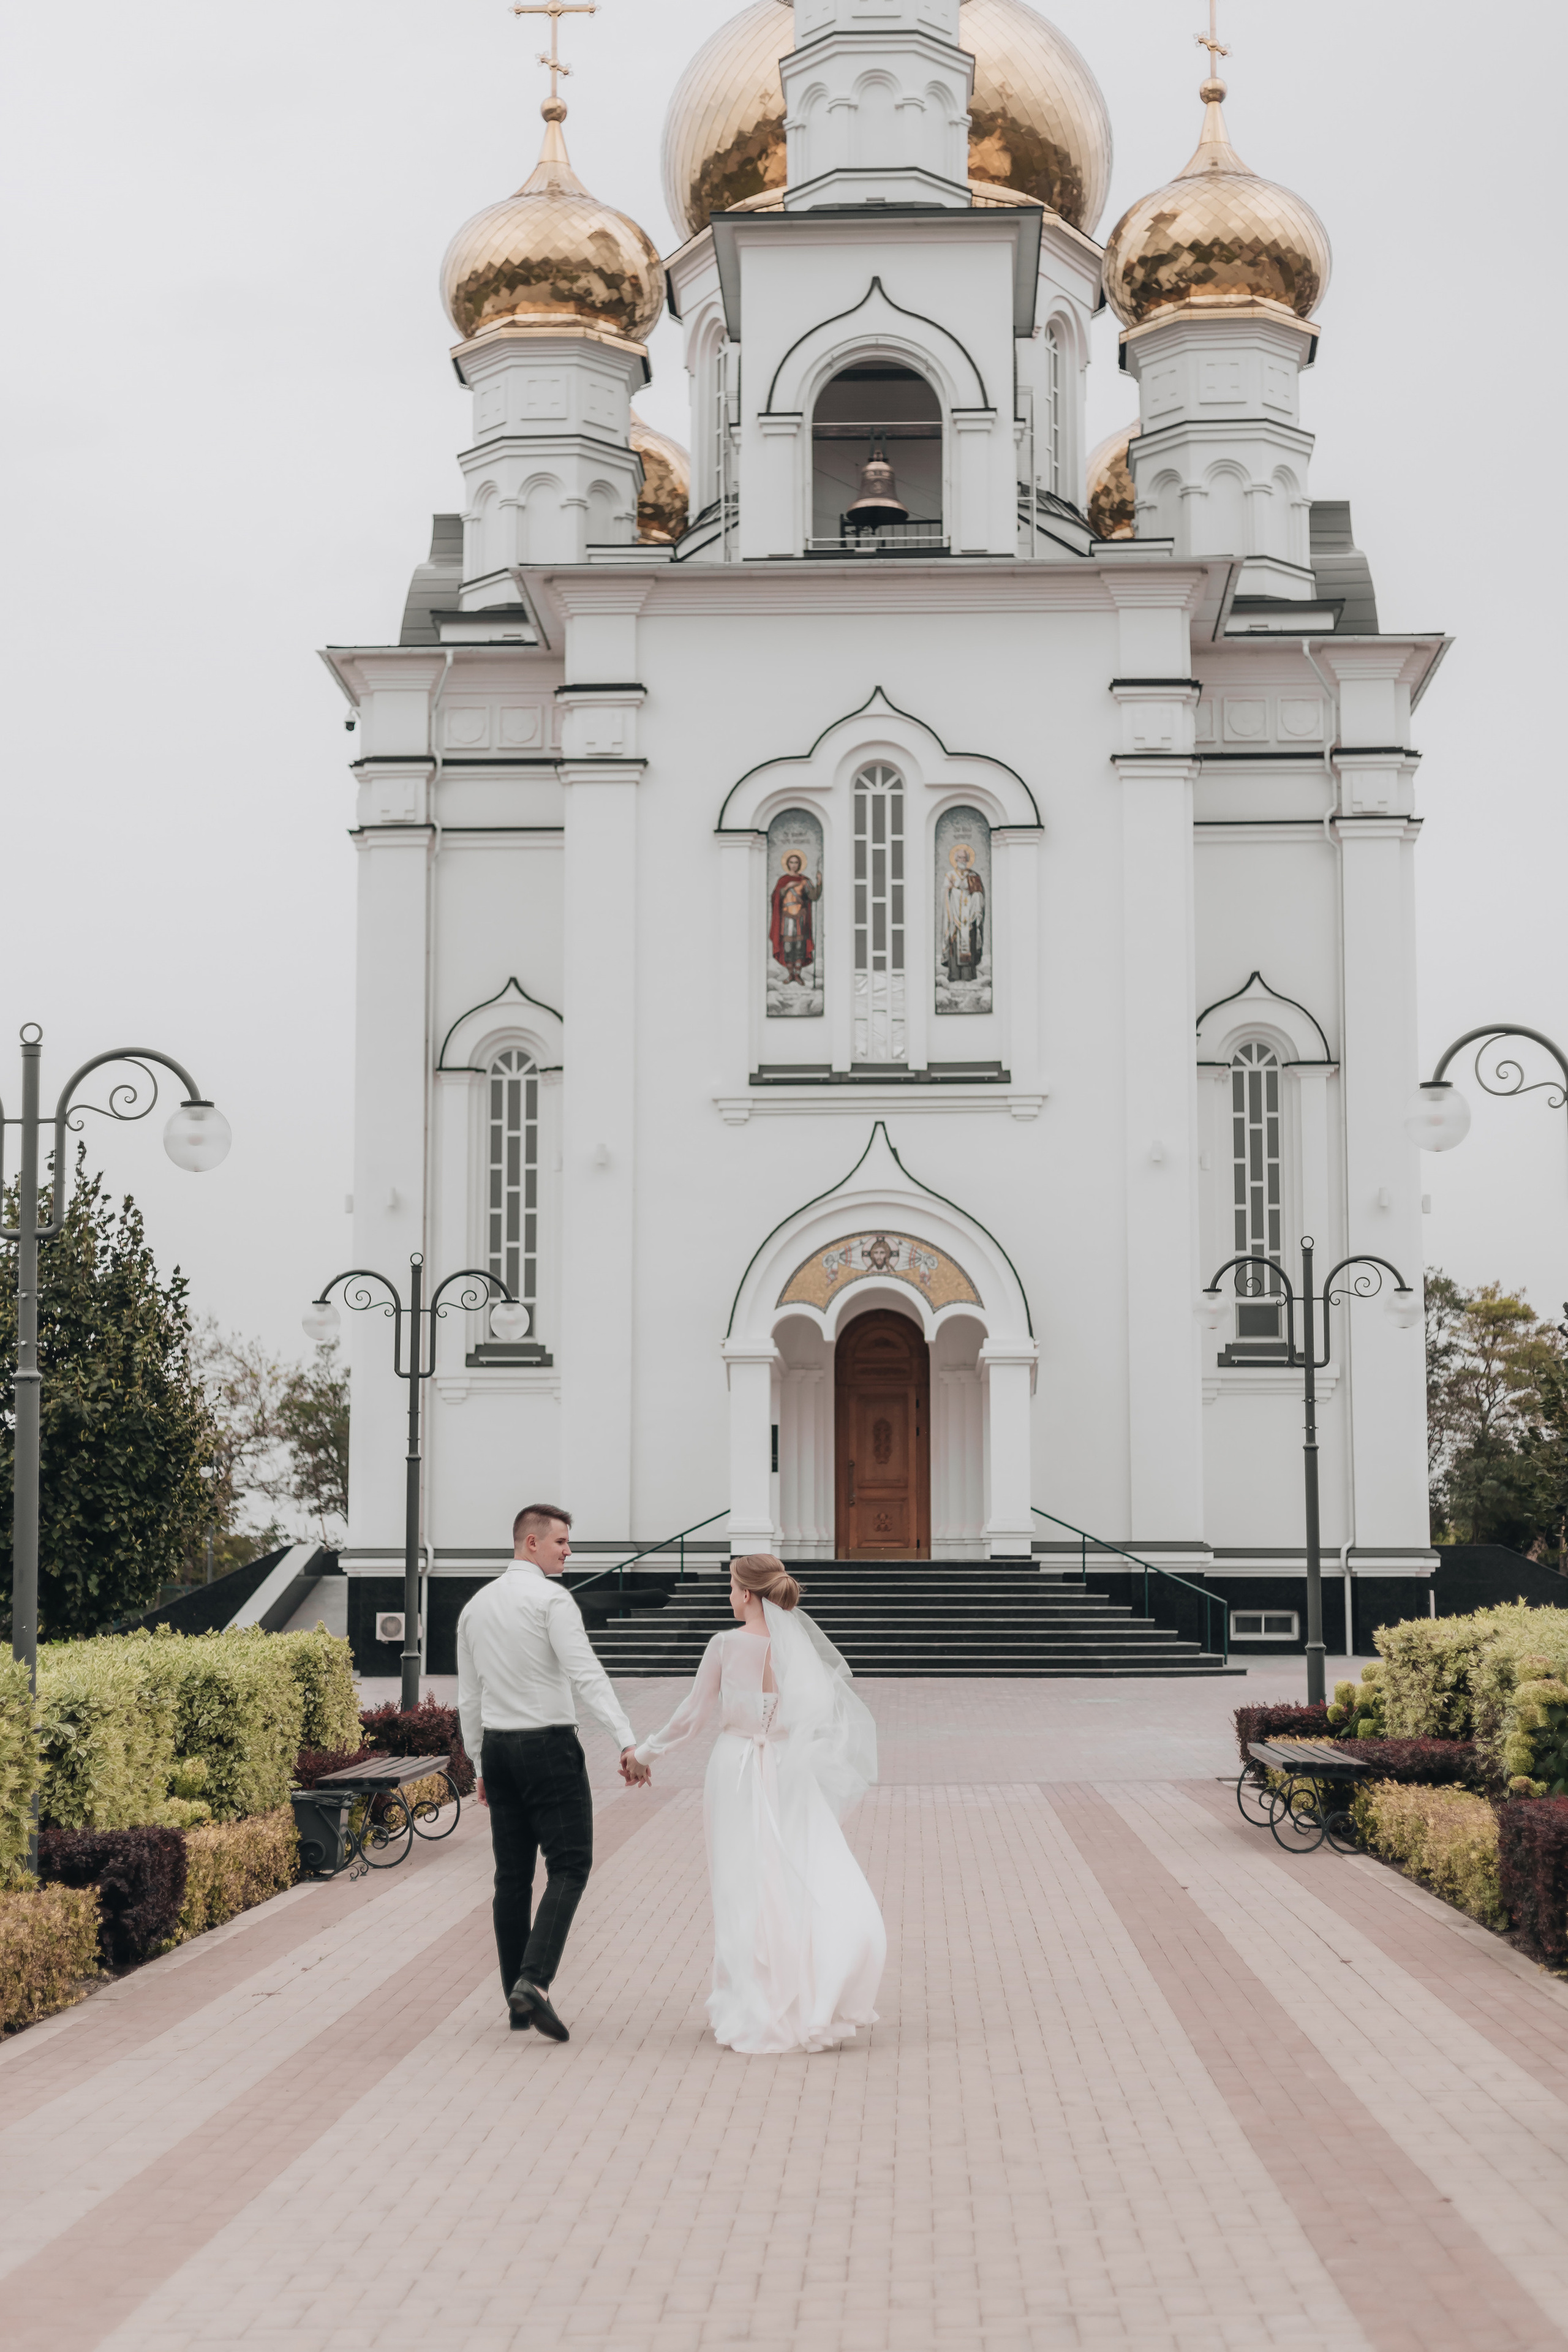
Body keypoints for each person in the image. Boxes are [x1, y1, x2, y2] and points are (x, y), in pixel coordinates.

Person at [632, 1553, 885, 2055]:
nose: (729, 1596)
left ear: (746, 1594)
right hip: (790, 1771)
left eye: (731, 1587)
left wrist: (644, 1754)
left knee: (741, 1881)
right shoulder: (801, 1653)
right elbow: (821, 1718)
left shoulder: (725, 1645)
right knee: (792, 1876)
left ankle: (752, 2000)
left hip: (737, 1768)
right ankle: (804, 1995)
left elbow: (690, 1716)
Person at [456, 1502, 649, 2045]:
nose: (569, 1550)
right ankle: (534, 1982)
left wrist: (477, 1765)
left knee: (511, 1878)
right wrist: (626, 1739)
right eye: (562, 1541)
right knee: (571, 1864)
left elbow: (469, 1697)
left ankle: (516, 2006)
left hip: (498, 1749)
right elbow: (586, 1674)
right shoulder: (551, 1600)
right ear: (531, 1544)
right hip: (549, 1748)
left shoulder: (474, 1607)